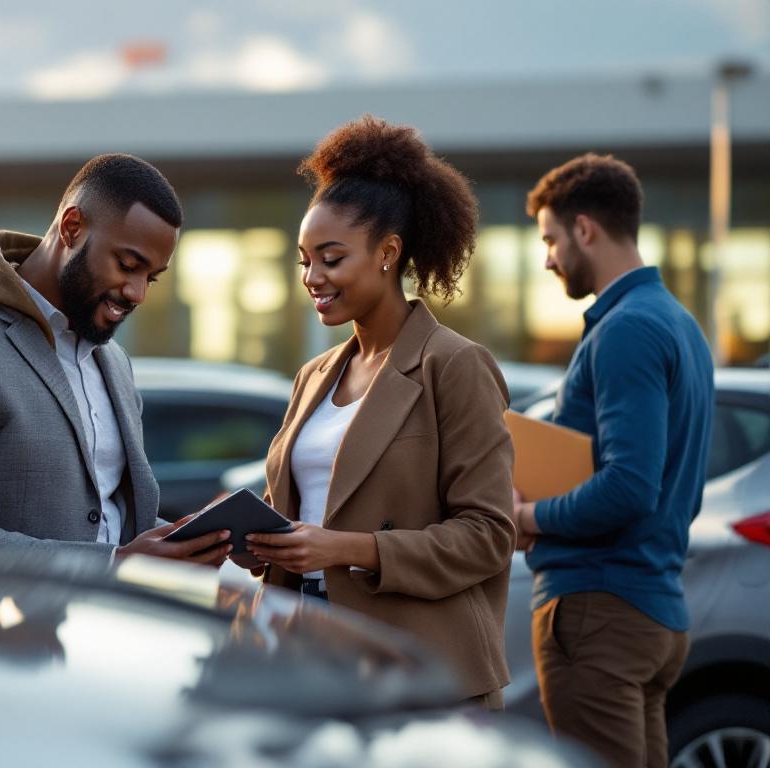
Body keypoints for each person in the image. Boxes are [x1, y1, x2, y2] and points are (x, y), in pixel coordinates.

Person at [243, 116, 516, 707]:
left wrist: (345, 549)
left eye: (331, 258)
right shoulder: (313, 377)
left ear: (388, 252)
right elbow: (295, 510)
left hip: (413, 662)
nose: (313, 278)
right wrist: (241, 534)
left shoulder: (454, 365)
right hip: (301, 648)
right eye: (304, 261)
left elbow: (489, 536)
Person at [0, 153, 230, 564]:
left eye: (150, 277)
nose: (137, 293)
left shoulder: (113, 360)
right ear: (72, 227)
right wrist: (116, 565)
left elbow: (102, 524)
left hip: (120, 626)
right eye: (127, 265)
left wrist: (180, 545)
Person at [514, 154, 713, 768]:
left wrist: (530, 516)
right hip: (651, 610)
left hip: (599, 611)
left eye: (550, 239)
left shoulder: (625, 329)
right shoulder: (680, 324)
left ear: (585, 229)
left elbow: (629, 485)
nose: (548, 258)